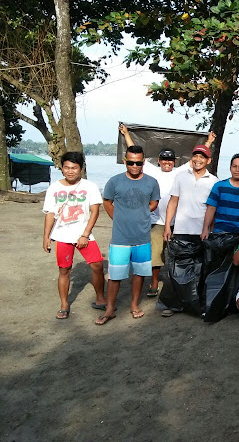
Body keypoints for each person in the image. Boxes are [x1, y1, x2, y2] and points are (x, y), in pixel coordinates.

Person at [119, 123, 216, 297]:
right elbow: (134, 151)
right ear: (159, 161)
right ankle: (155, 283)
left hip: (179, 223)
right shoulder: (152, 172)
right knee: (156, 253)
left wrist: (208, 141)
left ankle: (187, 287)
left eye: (170, 160)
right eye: (164, 159)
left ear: (175, 162)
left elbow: (199, 157)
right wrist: (126, 133)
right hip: (157, 221)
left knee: (179, 257)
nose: (167, 163)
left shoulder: (180, 172)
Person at [96, 145, 160, 325]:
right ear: (124, 161)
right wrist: (117, 217)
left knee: (139, 274)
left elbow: (154, 202)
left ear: (144, 162)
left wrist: (141, 214)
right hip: (120, 238)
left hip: (142, 238)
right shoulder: (115, 182)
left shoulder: (151, 182)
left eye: (138, 163)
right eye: (130, 162)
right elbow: (107, 201)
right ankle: (110, 308)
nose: (134, 166)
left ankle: (134, 305)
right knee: (115, 275)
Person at [42, 151, 106, 320]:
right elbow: (49, 213)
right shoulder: (54, 188)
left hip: (84, 234)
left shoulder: (89, 186)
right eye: (67, 168)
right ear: (62, 168)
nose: (70, 171)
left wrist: (85, 235)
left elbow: (94, 211)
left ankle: (100, 298)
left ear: (81, 169)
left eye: (74, 168)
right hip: (62, 235)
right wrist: (46, 236)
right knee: (64, 270)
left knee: (97, 265)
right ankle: (64, 304)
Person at [163, 145, 219, 243]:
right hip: (180, 230)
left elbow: (212, 209)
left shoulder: (214, 181)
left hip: (202, 232)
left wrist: (209, 230)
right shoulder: (180, 176)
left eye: (202, 157)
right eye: (195, 156)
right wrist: (167, 226)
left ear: (208, 160)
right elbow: (173, 202)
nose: (198, 159)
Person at [201, 154, 239, 238]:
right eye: (234, 166)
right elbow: (211, 208)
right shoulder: (219, 186)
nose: (237, 170)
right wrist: (205, 229)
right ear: (230, 168)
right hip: (219, 233)